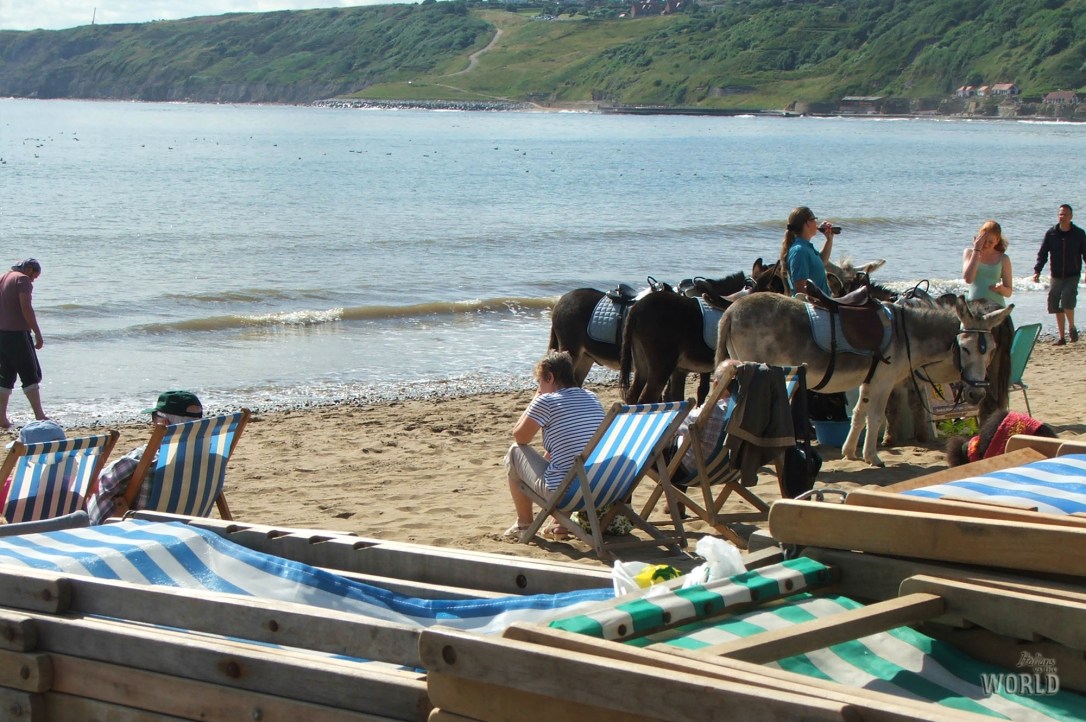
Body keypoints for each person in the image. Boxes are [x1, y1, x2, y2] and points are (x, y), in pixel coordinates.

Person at [503, 351, 604, 540]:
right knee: (559, 457)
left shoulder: (547, 401)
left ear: (550, 377)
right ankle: (560, 525)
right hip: (600, 489)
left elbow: (519, 437)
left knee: (514, 453)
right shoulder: (591, 397)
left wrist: (536, 398)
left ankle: (524, 524)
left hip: (566, 495)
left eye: (540, 383)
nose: (539, 389)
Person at [86, 390, 204, 523]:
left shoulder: (143, 461)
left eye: (154, 417)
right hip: (188, 527)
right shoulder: (211, 458)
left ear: (164, 423)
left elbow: (99, 486)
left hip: (144, 530)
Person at [0, 259, 46, 428]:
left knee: (6, 375)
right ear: (28, 269)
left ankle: (1, 417)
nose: (33, 280)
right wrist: (38, 334)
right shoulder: (23, 279)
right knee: (30, 372)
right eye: (35, 276)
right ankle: (39, 415)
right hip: (17, 333)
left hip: (2, 334)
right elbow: (26, 308)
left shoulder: (4, 276)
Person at [1033, 204, 1086, 345]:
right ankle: (1062, 337)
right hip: (1056, 275)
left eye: (1065, 214)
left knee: (1067, 300)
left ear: (1071, 216)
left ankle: (1072, 327)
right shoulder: (1051, 234)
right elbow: (1043, 254)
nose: (1062, 217)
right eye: (1061, 214)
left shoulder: (1079, 234)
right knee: (1055, 305)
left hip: (1072, 274)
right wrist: (1037, 271)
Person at [780, 206, 837, 296]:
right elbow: (801, 291)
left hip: (821, 305)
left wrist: (829, 239)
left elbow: (822, 261)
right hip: (813, 307)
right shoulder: (799, 251)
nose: (816, 222)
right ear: (807, 223)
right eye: (814, 219)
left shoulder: (806, 247)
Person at [962, 220, 1013, 308]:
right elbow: (968, 279)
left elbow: (1008, 292)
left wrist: (1001, 289)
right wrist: (977, 250)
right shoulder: (969, 253)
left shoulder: (1004, 259)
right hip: (974, 307)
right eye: (984, 241)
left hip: (996, 307)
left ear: (997, 241)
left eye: (990, 242)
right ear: (979, 237)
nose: (986, 244)